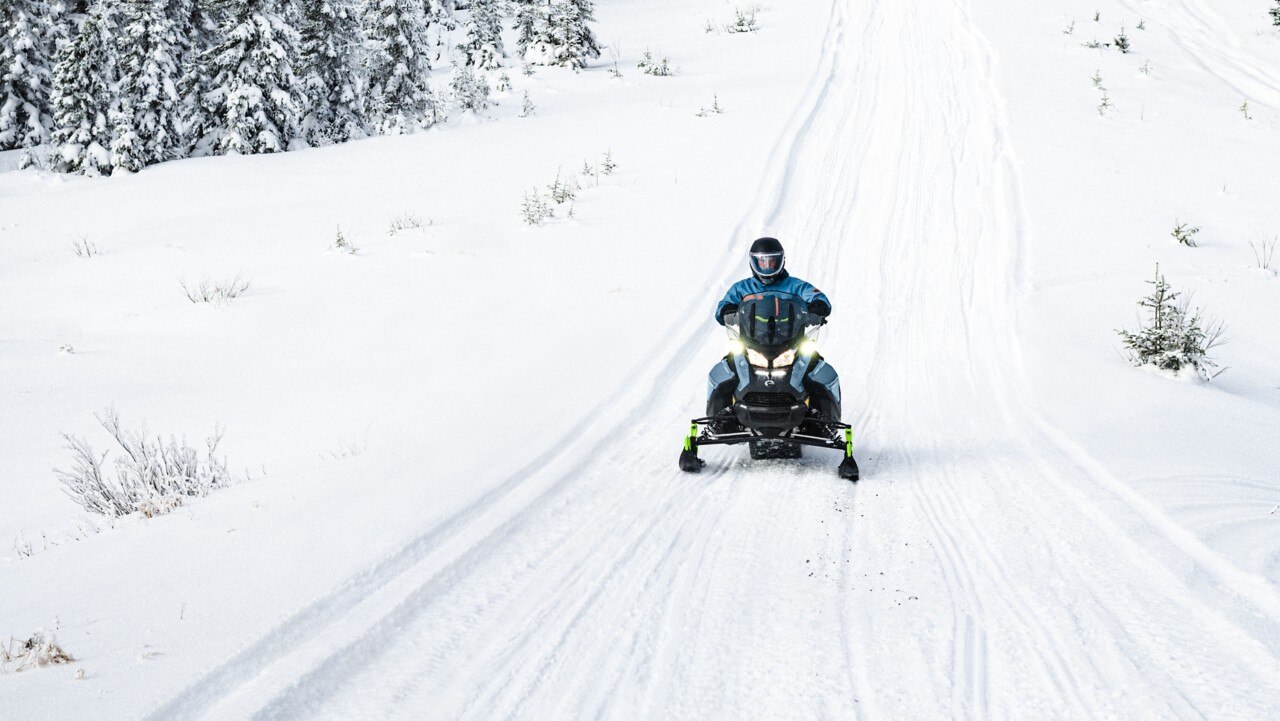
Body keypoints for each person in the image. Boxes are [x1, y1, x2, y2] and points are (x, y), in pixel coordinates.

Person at [714, 237, 830, 325]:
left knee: (813, 357)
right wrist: (728, 311)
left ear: (781, 260)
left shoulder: (795, 286)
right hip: (750, 343)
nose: (767, 265)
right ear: (754, 262)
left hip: (791, 341)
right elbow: (723, 306)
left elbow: (819, 297)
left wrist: (817, 309)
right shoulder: (742, 288)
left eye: (772, 261)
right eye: (762, 261)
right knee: (730, 358)